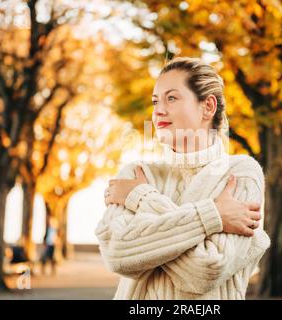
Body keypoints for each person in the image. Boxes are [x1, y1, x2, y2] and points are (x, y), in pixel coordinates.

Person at [95, 57, 270, 300]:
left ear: (208, 107)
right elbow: (117, 254)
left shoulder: (241, 174)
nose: (158, 111)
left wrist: (142, 198)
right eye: (155, 101)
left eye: (172, 98)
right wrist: (214, 216)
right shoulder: (136, 173)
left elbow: (206, 270)